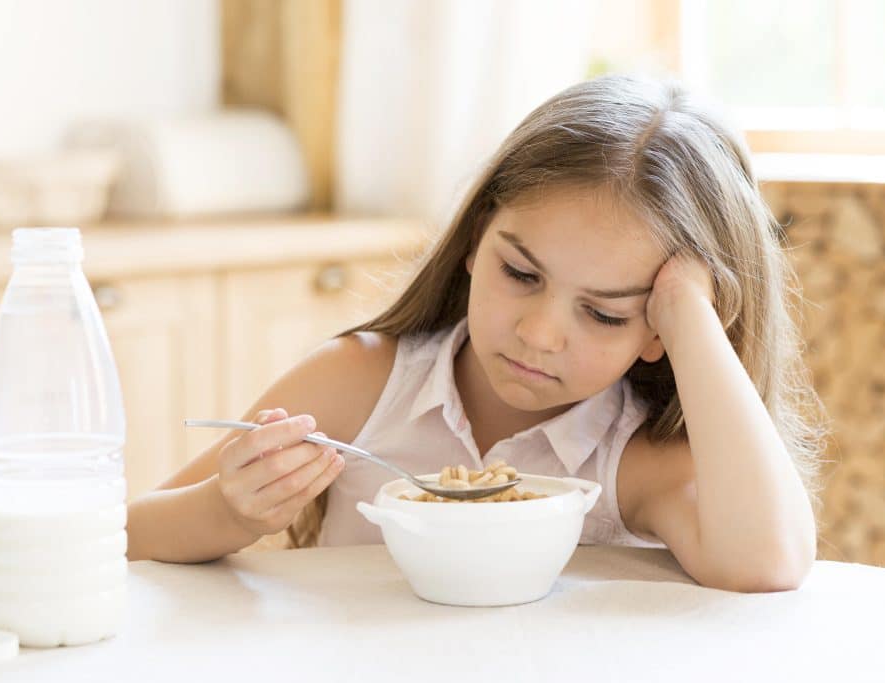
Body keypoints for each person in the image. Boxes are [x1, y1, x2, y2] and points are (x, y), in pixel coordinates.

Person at [127, 75, 825, 592]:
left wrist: (693, 317)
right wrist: (230, 507)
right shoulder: (358, 384)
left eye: (605, 313)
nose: (540, 333)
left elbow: (766, 562)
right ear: (473, 239)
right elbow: (127, 533)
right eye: (520, 272)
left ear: (656, 334)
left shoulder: (632, 459)